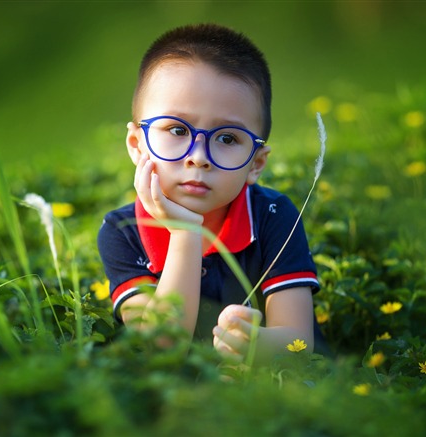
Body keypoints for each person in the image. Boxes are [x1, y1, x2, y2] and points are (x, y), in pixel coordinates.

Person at [97, 23, 322, 364]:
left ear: (256, 164)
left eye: (228, 138)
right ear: (137, 145)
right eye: (176, 129)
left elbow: (299, 343)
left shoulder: (274, 216)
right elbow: (162, 347)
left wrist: (255, 345)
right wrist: (185, 232)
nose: (198, 158)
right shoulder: (121, 231)